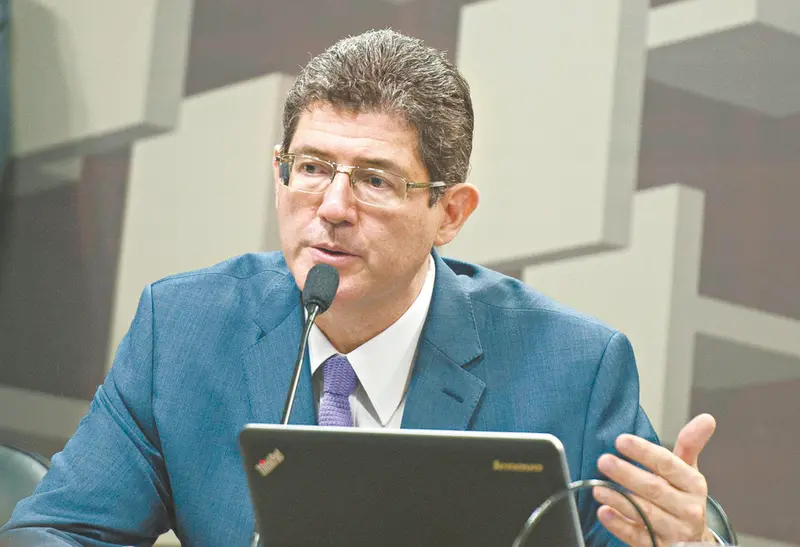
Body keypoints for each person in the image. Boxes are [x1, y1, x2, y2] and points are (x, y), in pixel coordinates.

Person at [1, 30, 720, 546]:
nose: (333, 207)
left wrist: (692, 543)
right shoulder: (186, 328)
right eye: (312, 168)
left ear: (450, 213)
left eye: (375, 180)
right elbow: (58, 529)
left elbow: (651, 529)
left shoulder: (570, 367)